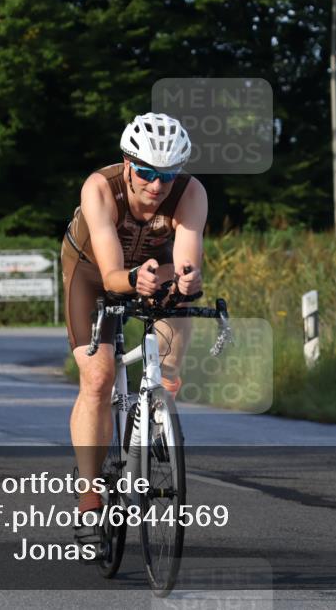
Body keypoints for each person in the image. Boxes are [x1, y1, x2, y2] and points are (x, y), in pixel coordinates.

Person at [61, 113, 207, 546]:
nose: (156, 185)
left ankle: (159, 403)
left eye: (167, 174)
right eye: (145, 172)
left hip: (153, 266)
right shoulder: (100, 187)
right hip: (90, 273)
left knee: (180, 309)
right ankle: (89, 499)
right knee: (99, 377)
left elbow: (186, 257)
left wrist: (186, 278)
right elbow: (109, 274)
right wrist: (131, 280)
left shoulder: (191, 193)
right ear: (127, 164)